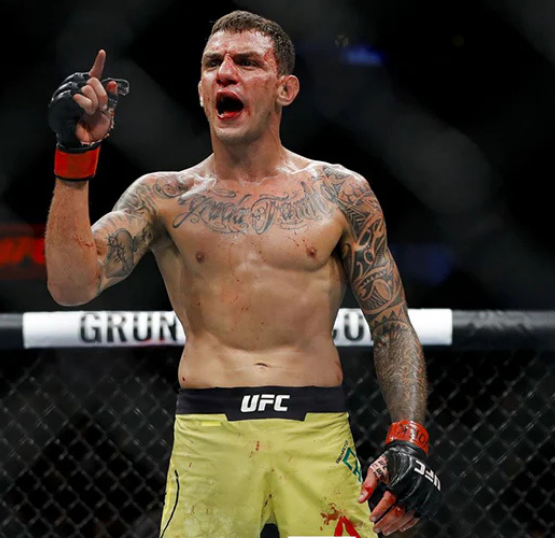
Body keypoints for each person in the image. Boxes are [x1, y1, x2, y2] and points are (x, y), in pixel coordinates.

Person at [44, 10, 441, 537]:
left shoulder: (341, 193)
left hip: (317, 435)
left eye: (247, 62)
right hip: (210, 437)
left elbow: (391, 326)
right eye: (213, 64)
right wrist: (74, 156)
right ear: (201, 90)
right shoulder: (164, 197)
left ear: (285, 89)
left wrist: (408, 437)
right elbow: (71, 285)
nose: (225, 73)